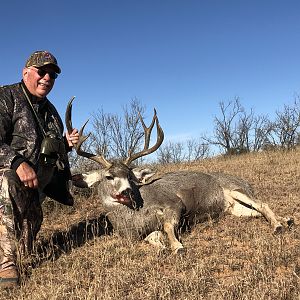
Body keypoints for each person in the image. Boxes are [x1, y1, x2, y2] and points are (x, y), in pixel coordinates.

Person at [0, 50, 79, 288]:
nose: (47, 78)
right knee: (8, 180)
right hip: (9, 176)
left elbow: (50, 150)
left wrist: (66, 145)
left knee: (25, 247)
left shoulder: (52, 112)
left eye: (52, 75)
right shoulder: (7, 97)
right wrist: (17, 163)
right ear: (25, 73)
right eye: (41, 72)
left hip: (37, 185)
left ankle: (15, 254)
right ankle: (5, 265)